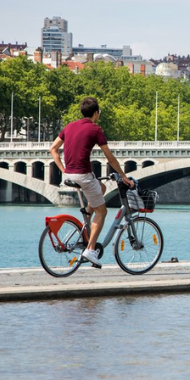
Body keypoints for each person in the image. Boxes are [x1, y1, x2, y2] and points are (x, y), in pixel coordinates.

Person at [49, 97, 133, 267]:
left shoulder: (69, 126)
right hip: (83, 175)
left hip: (70, 175)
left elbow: (53, 149)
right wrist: (123, 176)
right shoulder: (95, 129)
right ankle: (91, 249)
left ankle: (88, 215)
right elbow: (110, 158)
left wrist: (63, 169)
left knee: (101, 187)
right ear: (96, 113)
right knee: (102, 212)